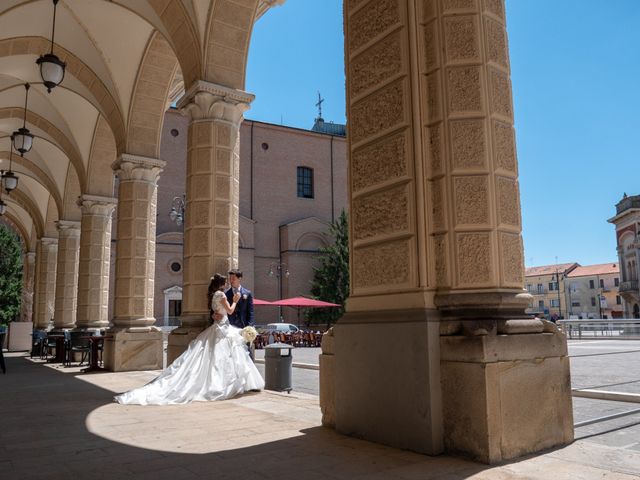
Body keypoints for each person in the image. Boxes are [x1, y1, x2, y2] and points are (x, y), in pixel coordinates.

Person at [114, 273, 264, 405]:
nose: (227, 283)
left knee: (216, 359)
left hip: (220, 326)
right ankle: (222, 385)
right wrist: (236, 300)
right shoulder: (223, 295)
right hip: (222, 328)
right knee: (223, 358)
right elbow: (230, 310)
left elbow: (216, 312)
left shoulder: (214, 295)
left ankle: (224, 383)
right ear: (221, 284)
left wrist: (217, 315)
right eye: (226, 281)